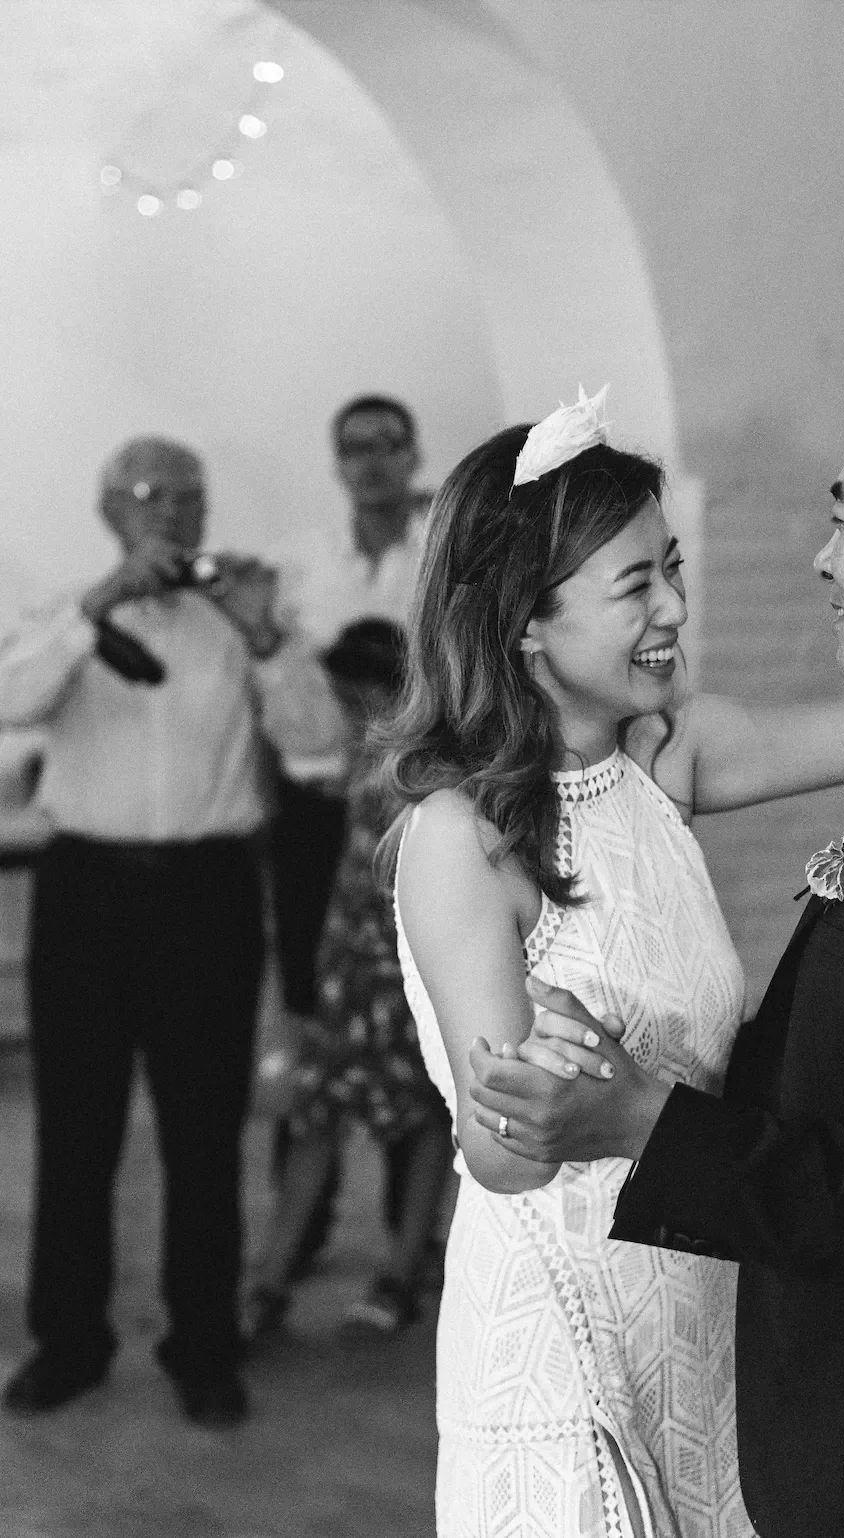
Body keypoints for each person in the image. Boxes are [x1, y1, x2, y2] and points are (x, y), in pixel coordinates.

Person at [386, 385, 844, 1537]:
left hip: (709, 1294)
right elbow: (498, 1154)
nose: (674, 607)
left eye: (673, 568)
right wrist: (549, 1075)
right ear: (523, 620)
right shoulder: (461, 835)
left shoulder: (669, 752)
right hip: (570, 1334)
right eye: (635, 585)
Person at [0, 436, 316, 1427]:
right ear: (109, 510)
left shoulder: (243, 617)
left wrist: (265, 638)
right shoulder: (67, 609)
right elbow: (9, 700)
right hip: (85, 888)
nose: (171, 511)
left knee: (204, 1131)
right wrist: (96, 608)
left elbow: (317, 743)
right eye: (148, 493)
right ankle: (69, 1341)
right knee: (76, 1128)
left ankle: (203, 1346)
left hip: (208, 892)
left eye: (188, 494)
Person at [246, 619, 452, 1339]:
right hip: (348, 967)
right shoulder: (354, 760)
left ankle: (401, 1268)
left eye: (359, 698)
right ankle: (271, 1276)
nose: (351, 713)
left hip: (405, 968)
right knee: (316, 1114)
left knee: (421, 1116)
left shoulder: (429, 771)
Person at [268, 394, 435, 1276]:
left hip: (417, 802)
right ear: (337, 463)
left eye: (387, 444)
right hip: (316, 814)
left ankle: (410, 1239)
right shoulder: (300, 566)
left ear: (412, 455)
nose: (371, 461)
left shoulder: (441, 553)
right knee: (313, 1008)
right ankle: (300, 1229)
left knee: (419, 1014)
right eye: (355, 447)